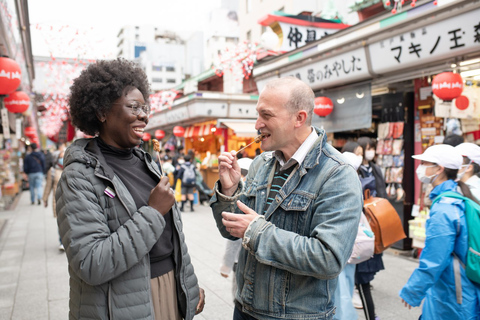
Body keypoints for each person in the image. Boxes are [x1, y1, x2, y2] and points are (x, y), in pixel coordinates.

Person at [56, 58, 204, 320]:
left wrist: (188, 286)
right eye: (133, 107)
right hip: (121, 304)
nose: (144, 115)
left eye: (145, 107)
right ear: (101, 112)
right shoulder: (78, 175)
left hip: (170, 290)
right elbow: (91, 263)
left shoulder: (148, 164)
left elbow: (171, 243)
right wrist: (153, 212)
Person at [210, 77, 363, 320]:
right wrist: (229, 192)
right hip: (245, 308)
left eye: (266, 115)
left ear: (299, 118)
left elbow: (329, 259)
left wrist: (257, 232)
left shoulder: (337, 175)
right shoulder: (262, 162)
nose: (257, 124)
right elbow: (231, 230)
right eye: (257, 114)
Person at [399, 144, 480, 319]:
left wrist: (413, 290)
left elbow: (435, 257)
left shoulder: (444, 207)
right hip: (461, 287)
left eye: (425, 163)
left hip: (453, 293)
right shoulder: (457, 194)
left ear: (439, 169)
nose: (420, 168)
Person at [342, 138, 386, 320]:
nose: (362, 156)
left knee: (359, 282)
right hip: (360, 237)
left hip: (360, 235)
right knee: (359, 283)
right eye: (358, 153)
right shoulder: (351, 179)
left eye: (363, 152)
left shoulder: (367, 172)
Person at [219, 157, 253, 302]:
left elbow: (232, 241)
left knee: (238, 293)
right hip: (250, 258)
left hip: (240, 260)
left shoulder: (241, 199)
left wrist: (225, 266)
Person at [43, 144, 66, 251]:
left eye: (64, 157)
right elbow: (48, 186)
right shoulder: (52, 171)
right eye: (60, 157)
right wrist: (45, 199)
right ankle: (62, 242)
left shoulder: (71, 168)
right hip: (57, 201)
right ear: (57, 159)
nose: (62, 159)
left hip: (71, 200)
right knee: (61, 222)